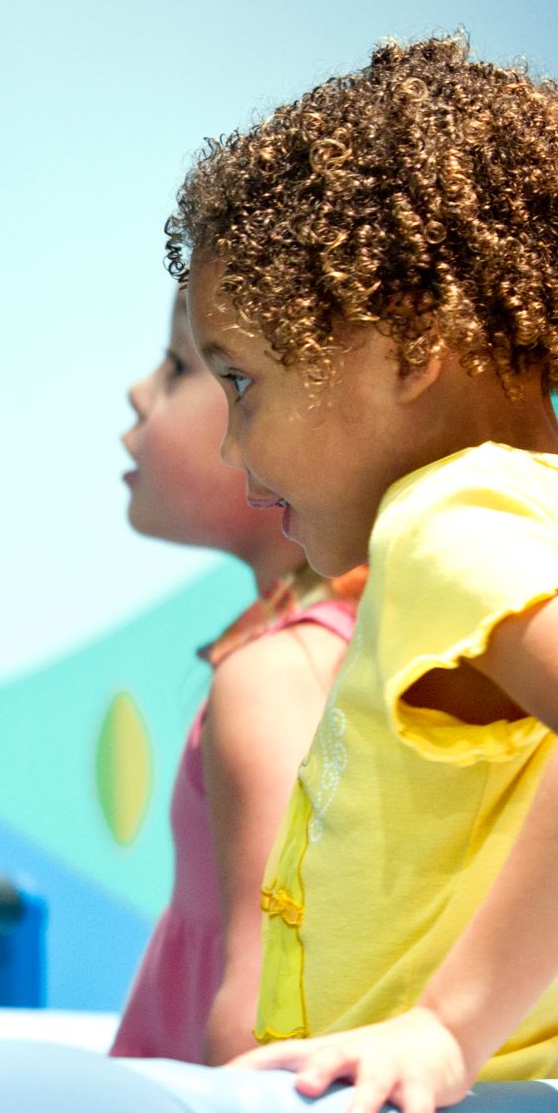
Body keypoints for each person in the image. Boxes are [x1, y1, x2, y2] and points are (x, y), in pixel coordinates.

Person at [169, 36, 558, 1113]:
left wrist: (443, 1030)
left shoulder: (444, 520)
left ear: (412, 347)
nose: (233, 440)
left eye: (243, 380)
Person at [109, 291, 360, 1065]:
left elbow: (265, 1005)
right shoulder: (344, 642)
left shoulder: (282, 674)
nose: (139, 391)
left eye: (187, 366)